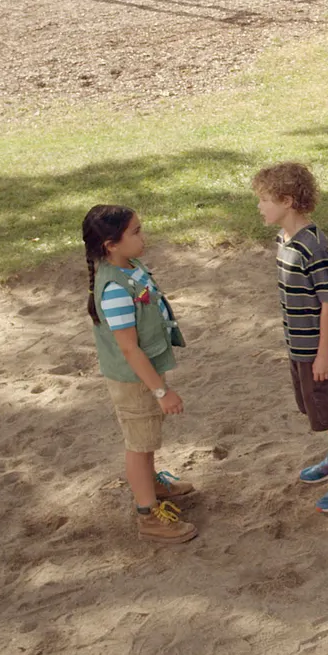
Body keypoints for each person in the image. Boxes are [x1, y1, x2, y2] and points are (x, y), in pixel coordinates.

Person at [82, 204, 197, 544]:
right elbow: (130, 349)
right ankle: (148, 515)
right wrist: (162, 391)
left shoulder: (129, 266)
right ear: (110, 245)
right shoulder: (115, 290)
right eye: (135, 232)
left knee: (146, 437)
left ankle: (152, 483)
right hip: (135, 381)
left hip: (144, 374)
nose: (143, 237)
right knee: (139, 444)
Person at [253, 162, 328, 514]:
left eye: (264, 199)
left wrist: (324, 353)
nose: (259, 206)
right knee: (321, 407)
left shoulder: (312, 246)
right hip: (301, 346)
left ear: (286, 201)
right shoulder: (284, 239)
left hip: (322, 349)